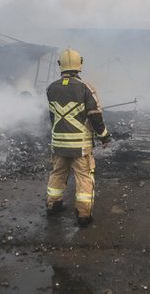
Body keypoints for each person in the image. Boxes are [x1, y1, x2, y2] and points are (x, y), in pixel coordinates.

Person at [46, 48, 111, 227]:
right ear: (79, 64)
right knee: (84, 176)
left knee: (58, 173)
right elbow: (95, 115)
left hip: (58, 144)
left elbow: (52, 117)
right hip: (80, 146)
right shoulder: (86, 88)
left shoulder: (51, 88)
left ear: (60, 65)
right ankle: (83, 215)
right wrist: (104, 136)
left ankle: (53, 205)